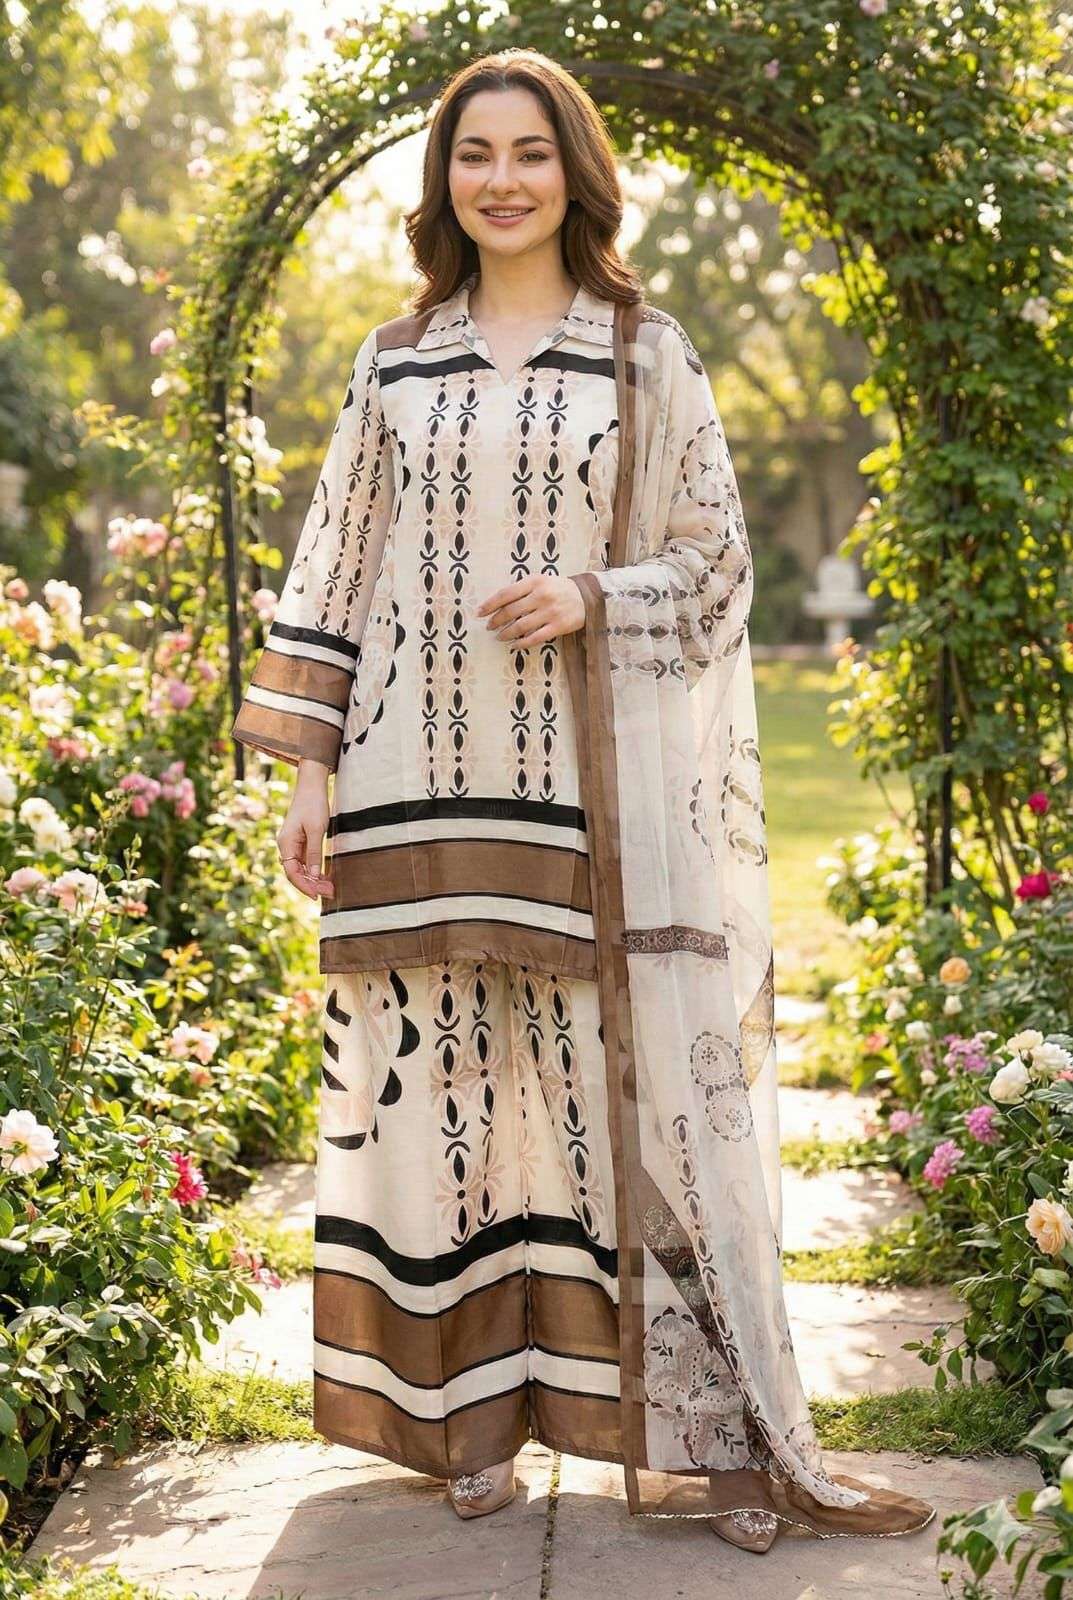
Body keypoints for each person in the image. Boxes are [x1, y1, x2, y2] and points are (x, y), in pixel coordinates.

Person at [231, 46, 936, 1556]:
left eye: (530, 153)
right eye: (474, 154)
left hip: (595, 801)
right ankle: (466, 1425)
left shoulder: (642, 352)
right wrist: (310, 777)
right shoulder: (393, 360)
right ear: (445, 181)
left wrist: (590, 592)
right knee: (448, 1104)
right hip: (412, 787)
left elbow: (716, 560)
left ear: (576, 173)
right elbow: (335, 564)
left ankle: (709, 1436)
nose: (502, 180)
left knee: (635, 1105)